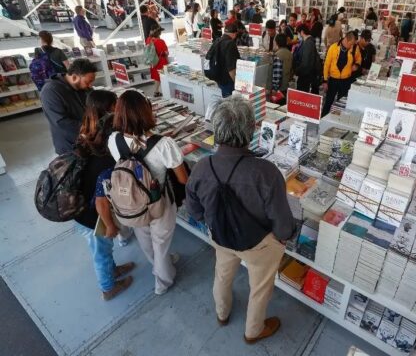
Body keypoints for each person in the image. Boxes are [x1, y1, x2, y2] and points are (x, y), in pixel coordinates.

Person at [185, 96, 294, 344]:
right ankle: (253, 331)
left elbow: (194, 211)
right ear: (251, 130)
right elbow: (283, 225)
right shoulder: (266, 173)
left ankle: (222, 313)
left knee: (222, 274)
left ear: (216, 129)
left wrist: (212, 221)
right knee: (260, 288)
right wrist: (283, 237)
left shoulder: (202, 167)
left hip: (221, 237)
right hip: (259, 244)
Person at [107, 90, 188, 295]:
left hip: (131, 201)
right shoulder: (163, 144)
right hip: (158, 201)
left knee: (144, 238)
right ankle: (163, 281)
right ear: (146, 111)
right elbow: (182, 179)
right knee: (160, 242)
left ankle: (163, 265)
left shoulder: (113, 139)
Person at [74, 90, 135, 301]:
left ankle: (113, 270)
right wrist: (110, 225)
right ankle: (108, 288)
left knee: (105, 249)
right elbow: (101, 202)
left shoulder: (88, 138)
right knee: (100, 252)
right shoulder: (106, 163)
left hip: (84, 207)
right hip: (92, 218)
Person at [40, 59, 97, 154]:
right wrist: (92, 127)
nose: (90, 86)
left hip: (87, 138)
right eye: (88, 82)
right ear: (74, 77)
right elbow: (61, 122)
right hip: (69, 144)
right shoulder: (51, 91)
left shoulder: (83, 88)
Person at [322, 32, 361, 116]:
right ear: (346, 39)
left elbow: (359, 59)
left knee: (341, 104)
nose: (352, 46)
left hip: (345, 80)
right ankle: (323, 119)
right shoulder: (333, 48)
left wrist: (356, 65)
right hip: (333, 80)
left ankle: (337, 120)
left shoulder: (355, 48)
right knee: (328, 102)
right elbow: (326, 65)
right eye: (351, 44)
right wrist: (325, 81)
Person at [213, 23, 241, 98]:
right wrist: (236, 83)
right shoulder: (230, 44)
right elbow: (231, 68)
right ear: (234, 34)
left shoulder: (218, 41)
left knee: (225, 102)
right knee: (231, 105)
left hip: (219, 79)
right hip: (228, 81)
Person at [294, 24, 321, 95]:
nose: (298, 36)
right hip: (306, 73)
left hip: (305, 74)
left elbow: (305, 62)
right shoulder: (307, 41)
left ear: (302, 32)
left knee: (301, 93)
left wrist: (297, 70)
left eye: (298, 33)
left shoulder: (308, 43)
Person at [146, 25, 169, 97]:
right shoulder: (161, 41)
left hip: (153, 61)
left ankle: (156, 91)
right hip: (161, 61)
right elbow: (166, 52)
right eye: (160, 31)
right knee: (163, 77)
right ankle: (166, 92)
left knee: (156, 77)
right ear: (158, 33)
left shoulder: (148, 39)